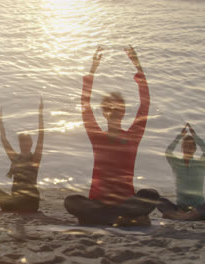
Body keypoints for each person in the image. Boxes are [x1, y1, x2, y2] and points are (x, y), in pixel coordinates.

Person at [64, 46, 159, 226]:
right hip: (99, 202)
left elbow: (145, 105)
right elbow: (85, 105)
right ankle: (120, 218)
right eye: (109, 108)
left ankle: (109, 217)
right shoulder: (97, 136)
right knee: (70, 200)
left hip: (124, 202)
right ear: (103, 113)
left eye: (118, 108)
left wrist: (138, 67)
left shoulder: (133, 136)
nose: (114, 111)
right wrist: (92, 71)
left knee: (151, 194)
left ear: (123, 112)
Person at [0, 98, 44, 213]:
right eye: (22, 142)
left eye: (27, 141)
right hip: (16, 200)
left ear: (31, 143)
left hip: (30, 202)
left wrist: (40, 114)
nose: (24, 144)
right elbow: (4, 140)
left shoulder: (35, 159)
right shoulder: (15, 158)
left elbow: (41, 136)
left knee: (9, 203)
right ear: (19, 144)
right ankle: (10, 206)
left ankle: (9, 206)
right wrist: (0, 120)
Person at [157, 123, 205, 221]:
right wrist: (179, 137)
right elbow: (168, 152)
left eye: (190, 147)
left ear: (194, 149)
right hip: (180, 207)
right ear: (181, 148)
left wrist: (195, 137)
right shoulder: (176, 163)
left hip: (198, 208)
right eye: (185, 146)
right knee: (157, 199)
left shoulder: (200, 163)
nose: (188, 149)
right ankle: (190, 216)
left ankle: (183, 216)